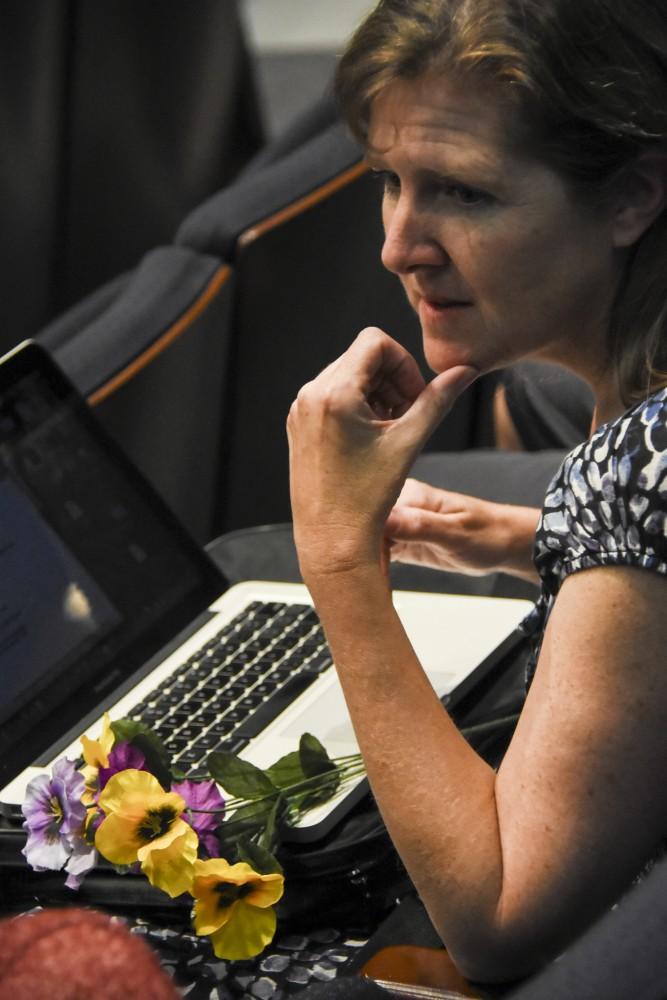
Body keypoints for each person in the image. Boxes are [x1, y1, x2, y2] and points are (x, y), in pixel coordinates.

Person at [286, 0, 667, 984]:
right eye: (389, 182)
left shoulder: (639, 464)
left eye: (462, 192)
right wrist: (542, 539)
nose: (399, 244)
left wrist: (336, 557)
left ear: (633, 196)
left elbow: (500, 917)